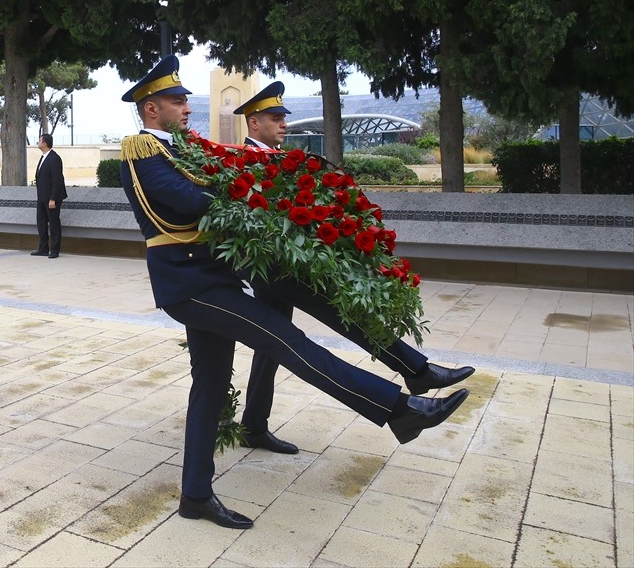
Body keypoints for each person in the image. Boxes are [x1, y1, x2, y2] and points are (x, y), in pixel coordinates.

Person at [119, 56, 468, 530]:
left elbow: (215, 192)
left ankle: (195, 495)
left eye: (184, 99)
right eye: (176, 101)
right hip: (187, 283)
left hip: (213, 277)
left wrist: (254, 187)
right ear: (150, 109)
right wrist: (254, 190)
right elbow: (187, 201)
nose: (185, 107)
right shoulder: (142, 150)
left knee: (208, 387)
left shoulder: (184, 149)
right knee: (288, 340)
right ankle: (399, 410)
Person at [231, 83, 474, 454]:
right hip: (277, 268)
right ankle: (416, 370)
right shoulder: (244, 162)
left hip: (290, 265)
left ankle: (253, 425)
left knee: (271, 346)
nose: (283, 124)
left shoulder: (282, 157)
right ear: (254, 122)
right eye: (275, 118)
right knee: (344, 312)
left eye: (283, 118)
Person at [30, 132, 67, 258]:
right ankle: (43, 248)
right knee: (41, 222)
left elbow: (57, 180)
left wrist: (53, 199)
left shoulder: (54, 158)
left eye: (39, 140)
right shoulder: (43, 157)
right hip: (42, 197)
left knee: (54, 223)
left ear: (45, 143)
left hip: (51, 198)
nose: (38, 142)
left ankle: (55, 250)